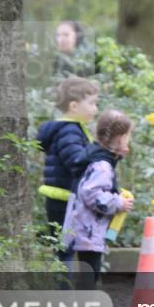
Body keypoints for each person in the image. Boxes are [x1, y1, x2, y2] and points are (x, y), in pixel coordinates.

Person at [62, 110, 135, 288]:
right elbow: (92, 194)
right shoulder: (102, 166)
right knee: (89, 275)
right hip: (88, 229)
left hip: (79, 225)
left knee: (80, 272)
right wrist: (119, 203)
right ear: (121, 137)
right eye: (128, 137)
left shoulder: (93, 154)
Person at [36, 76, 99, 236]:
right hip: (65, 200)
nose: (95, 109)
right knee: (65, 247)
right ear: (74, 106)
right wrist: (99, 151)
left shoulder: (69, 129)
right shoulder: (69, 131)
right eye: (92, 103)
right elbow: (76, 162)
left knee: (63, 244)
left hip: (61, 198)